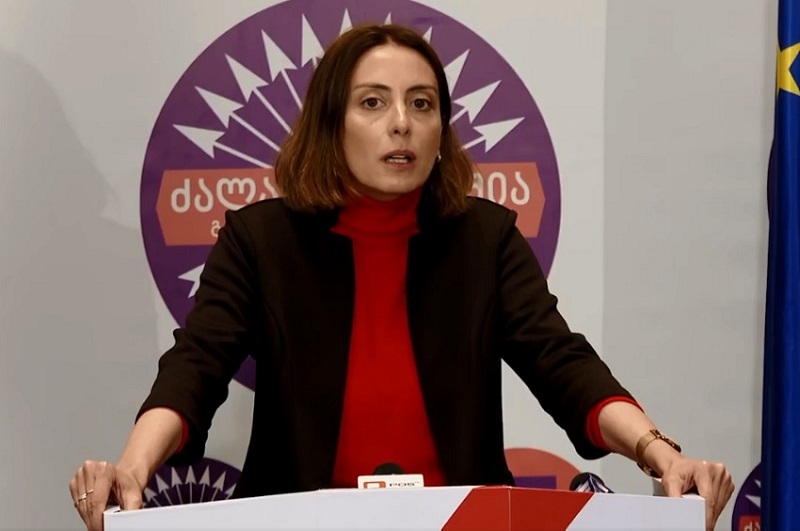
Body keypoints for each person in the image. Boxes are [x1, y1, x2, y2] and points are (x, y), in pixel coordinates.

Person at [69, 23, 734, 531]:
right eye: (373, 102)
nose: (401, 124)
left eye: (422, 104)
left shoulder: (485, 238)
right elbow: (195, 366)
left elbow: (563, 364)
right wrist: (132, 467)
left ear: (441, 128)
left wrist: (658, 451)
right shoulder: (260, 240)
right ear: (330, 124)